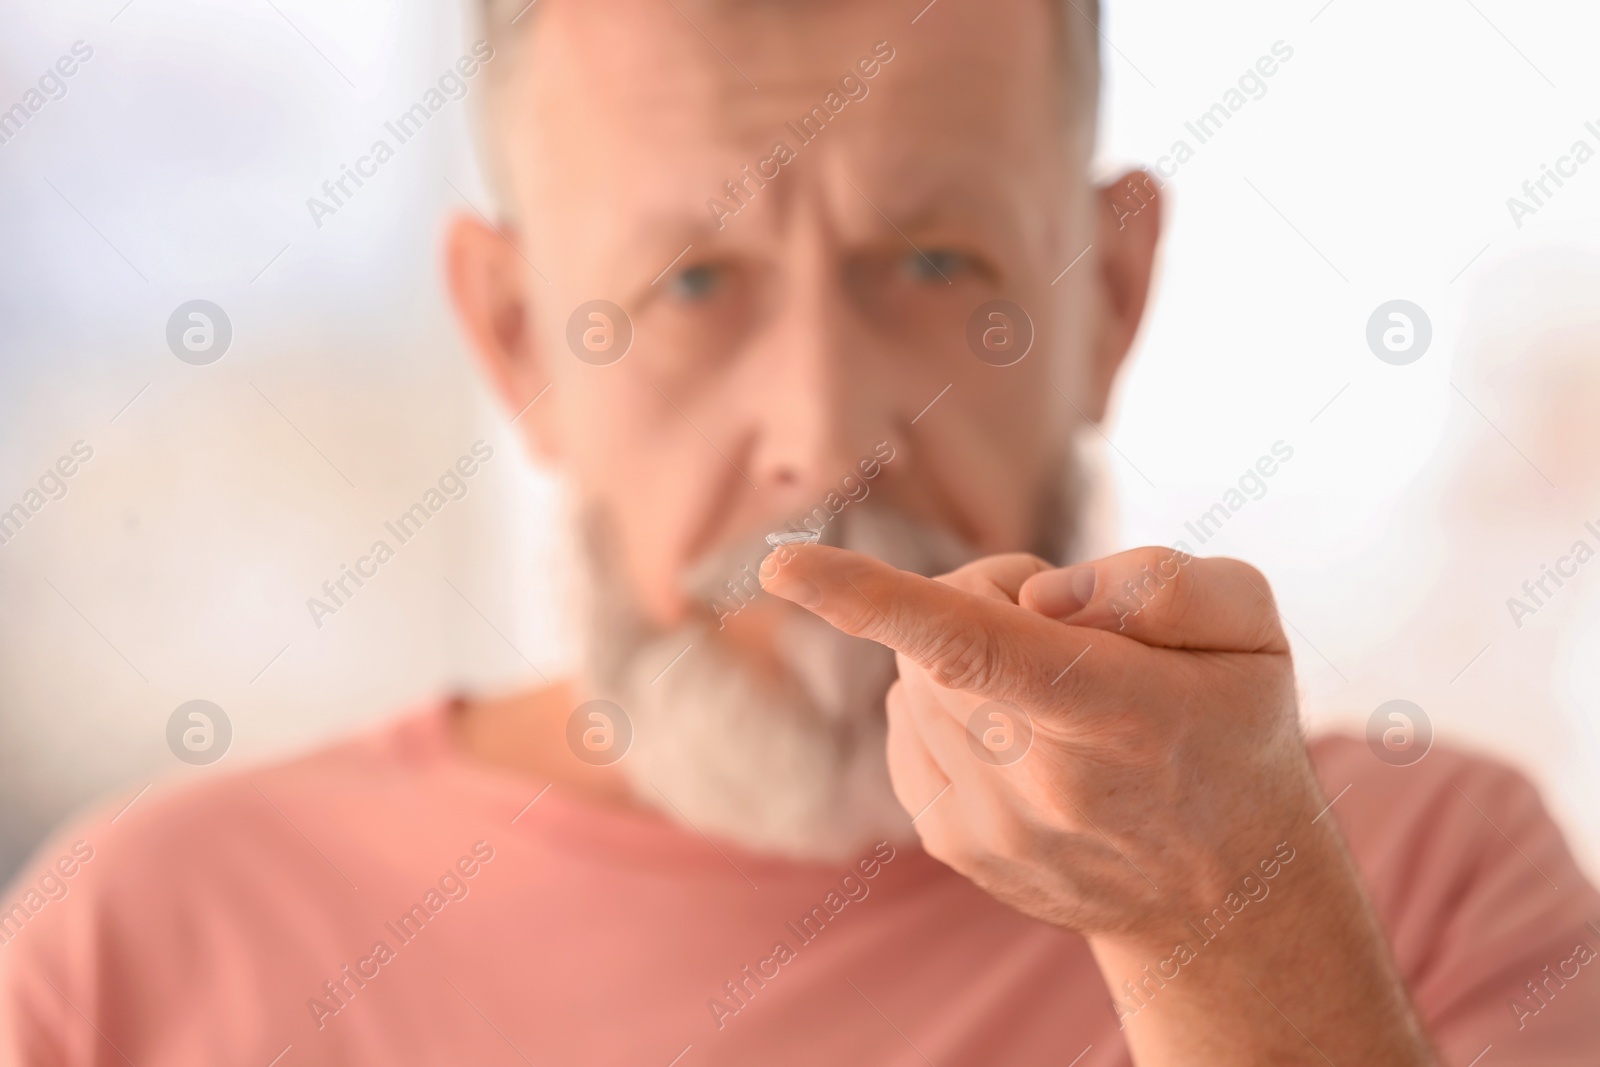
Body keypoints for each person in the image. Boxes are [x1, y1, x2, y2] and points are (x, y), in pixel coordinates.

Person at [3, 1, 1597, 1063]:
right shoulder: (136, 959)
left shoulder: (1420, 888)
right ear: (513, 342)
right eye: (692, 284)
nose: (827, 438)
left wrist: (1227, 935)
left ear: (1108, 300)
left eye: (934, 270)